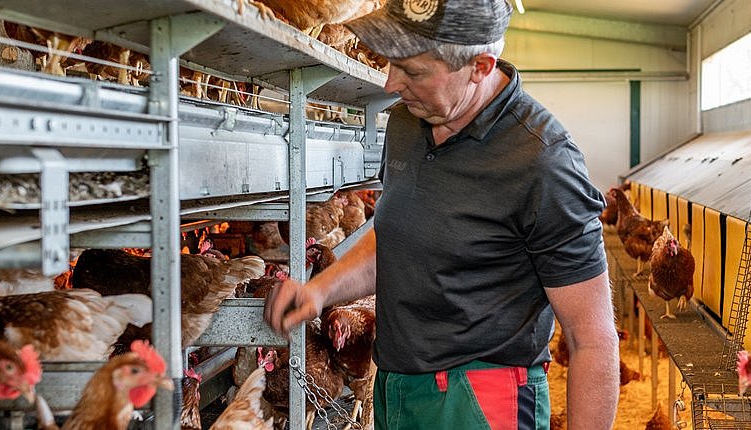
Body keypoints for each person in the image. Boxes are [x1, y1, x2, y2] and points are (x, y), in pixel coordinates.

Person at [264, 0, 619, 428]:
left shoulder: (544, 162)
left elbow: (592, 340)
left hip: (482, 400)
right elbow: (398, 236)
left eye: (413, 71)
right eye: (392, 62)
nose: (392, 82)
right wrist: (319, 291)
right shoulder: (405, 123)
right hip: (396, 388)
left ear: (480, 66)